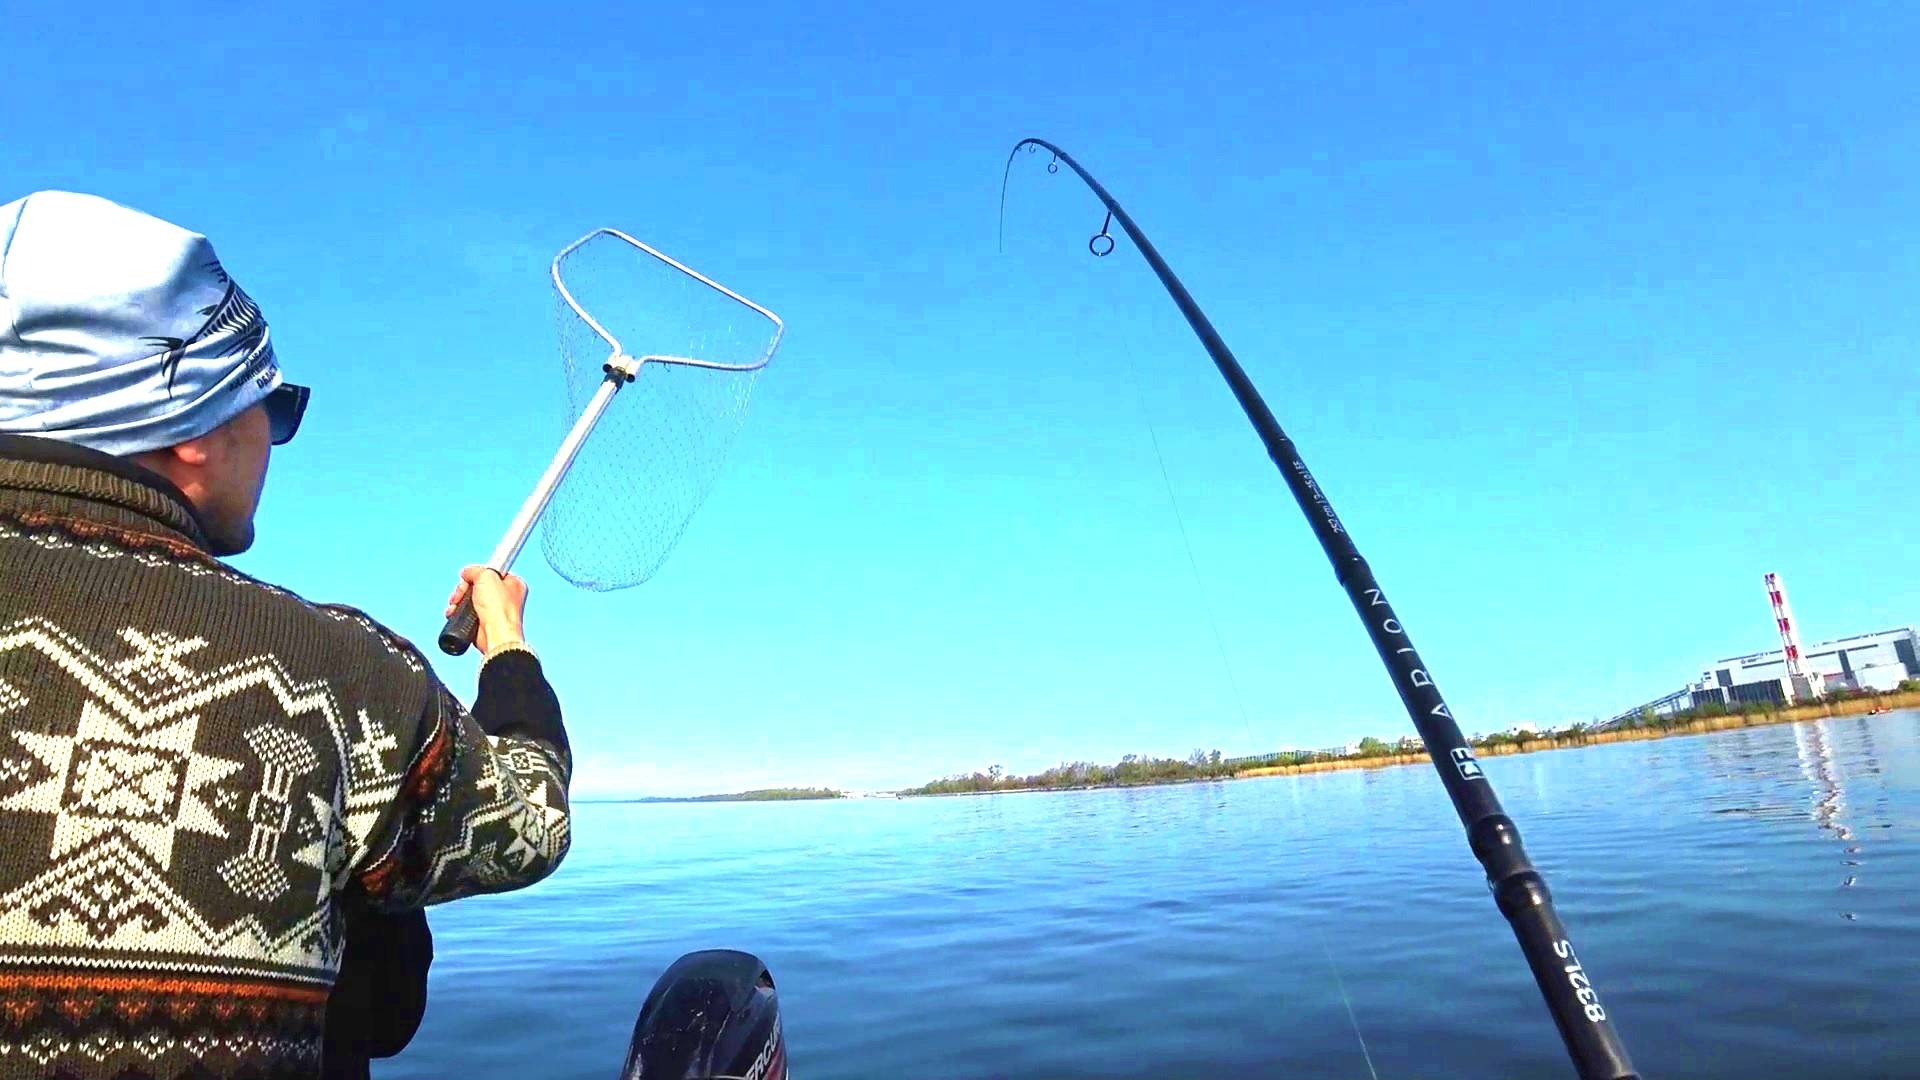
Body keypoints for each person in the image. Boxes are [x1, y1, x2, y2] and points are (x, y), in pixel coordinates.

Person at [0, 190, 572, 1078]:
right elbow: (529, 821)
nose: (275, 441)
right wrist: (508, 647)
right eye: (276, 408)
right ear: (194, 428)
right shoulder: (332, 672)